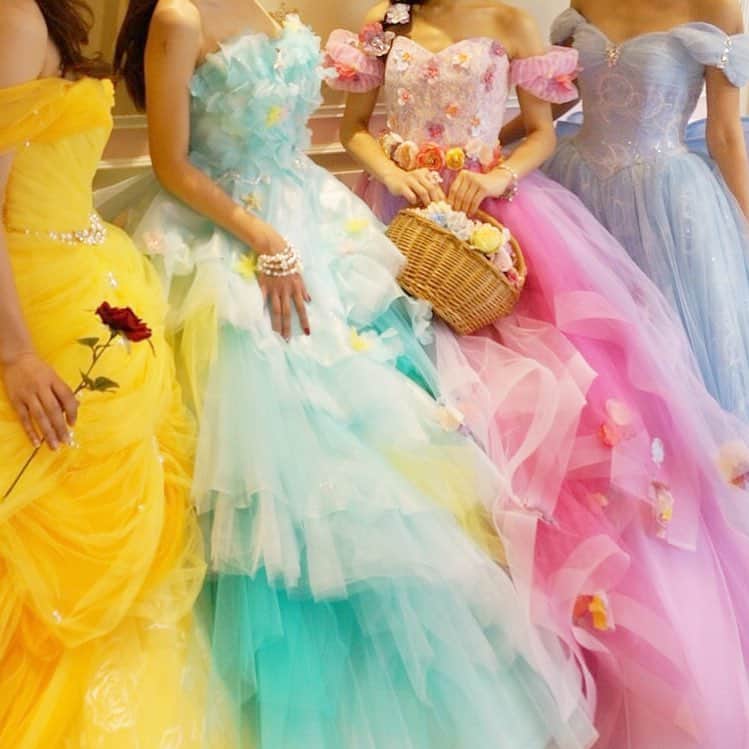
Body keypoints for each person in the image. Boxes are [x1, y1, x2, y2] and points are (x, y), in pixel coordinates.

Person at [111, 1, 597, 748]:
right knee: (269, 446)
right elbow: (172, 164)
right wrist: (264, 238)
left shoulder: (268, 7)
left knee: (382, 433)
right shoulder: (178, 16)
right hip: (231, 234)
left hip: (314, 215)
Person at [332, 1, 749, 746]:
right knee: (409, 397)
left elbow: (548, 131)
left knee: (572, 391)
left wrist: (493, 176)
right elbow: (357, 125)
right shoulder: (390, 21)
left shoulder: (514, 19)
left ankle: (567, 607)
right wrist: (399, 168)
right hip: (409, 210)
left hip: (532, 208)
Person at [0, 0, 236, 746]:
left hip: (84, 263)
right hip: (35, 295)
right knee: (58, 529)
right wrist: (17, 354)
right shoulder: (17, 19)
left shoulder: (38, 15)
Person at [532, 0, 749, 420]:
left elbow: (724, 134)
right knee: (586, 336)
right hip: (576, 189)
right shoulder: (585, 1)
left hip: (664, 203)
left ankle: (678, 444)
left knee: (666, 343)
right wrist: (490, 142)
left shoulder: (714, 7)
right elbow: (558, 96)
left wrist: (746, 221)